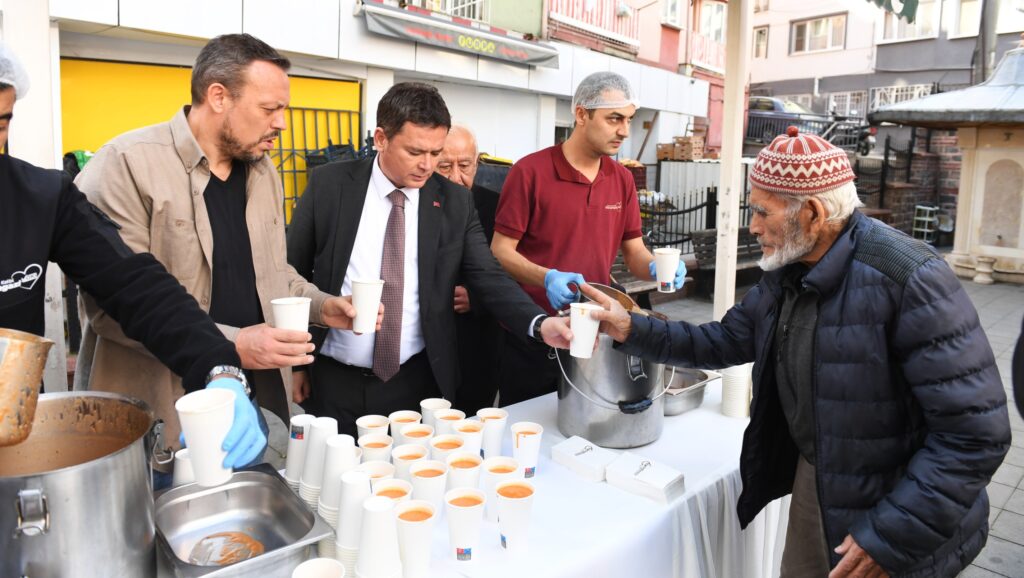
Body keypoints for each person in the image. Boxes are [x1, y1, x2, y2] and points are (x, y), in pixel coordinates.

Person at [585, 127, 1010, 577]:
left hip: (901, 504)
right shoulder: (789, 269)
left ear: (812, 214)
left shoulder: (910, 278)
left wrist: (891, 536)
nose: (752, 226)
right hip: (819, 477)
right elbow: (724, 340)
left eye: (761, 212)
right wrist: (631, 327)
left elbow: (975, 436)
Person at [73, 34, 372, 460]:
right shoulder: (126, 164)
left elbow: (272, 273)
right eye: (269, 109)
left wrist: (323, 307)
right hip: (157, 417)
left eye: (283, 109)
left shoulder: (263, 172)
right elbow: (111, 308)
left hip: (250, 404)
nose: (281, 123)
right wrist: (231, 346)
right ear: (218, 97)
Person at [0, 42, 263, 466]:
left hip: (11, 445)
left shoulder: (41, 198)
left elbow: (135, 285)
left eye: (1, 123)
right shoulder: (125, 160)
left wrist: (219, 367)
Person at [286, 82, 574, 436]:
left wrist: (539, 323)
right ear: (381, 138)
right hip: (332, 379)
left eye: (436, 152)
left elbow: (488, 275)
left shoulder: (454, 201)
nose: (427, 165)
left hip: (416, 382)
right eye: (415, 152)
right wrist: (296, 365)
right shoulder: (330, 186)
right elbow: (292, 271)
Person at [490, 71, 685, 406]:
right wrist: (546, 277)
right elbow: (500, 251)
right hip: (536, 333)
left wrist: (655, 267)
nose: (624, 131)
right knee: (529, 427)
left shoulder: (622, 179)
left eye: (628, 119)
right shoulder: (529, 172)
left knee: (589, 425)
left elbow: (634, 252)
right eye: (614, 119)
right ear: (581, 114)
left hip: (596, 332)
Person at [436, 125, 502, 412]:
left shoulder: (497, 206)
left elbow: (510, 270)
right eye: (444, 166)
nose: (455, 177)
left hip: (478, 340)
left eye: (464, 166)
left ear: (477, 163)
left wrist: (476, 298)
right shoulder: (412, 203)